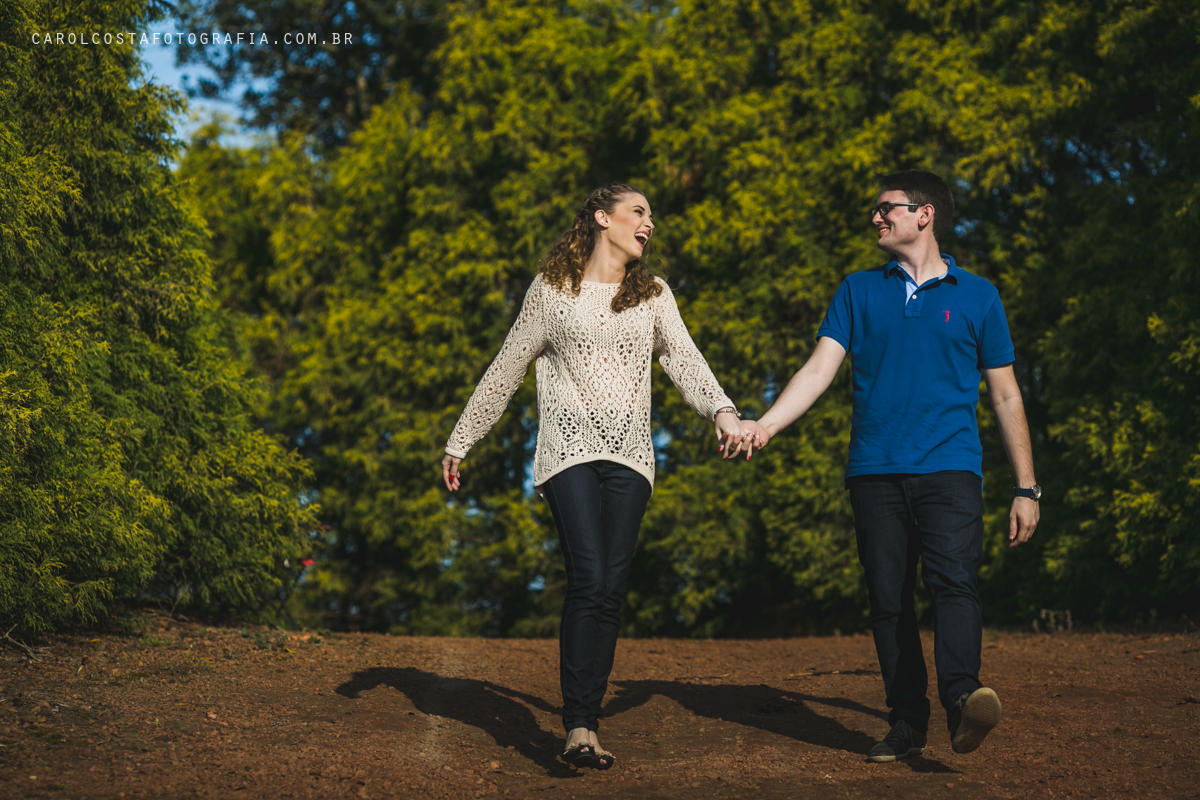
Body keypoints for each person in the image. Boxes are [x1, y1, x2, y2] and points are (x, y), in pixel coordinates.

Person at [736, 170, 1040, 762]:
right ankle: (905, 722)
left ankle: (960, 698)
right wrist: (765, 424)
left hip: (952, 468)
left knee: (954, 582)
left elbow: (1006, 396)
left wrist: (1026, 486)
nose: (876, 218)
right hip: (873, 470)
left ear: (923, 214)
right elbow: (819, 370)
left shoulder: (978, 295)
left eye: (886, 209)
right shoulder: (857, 290)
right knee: (889, 601)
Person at [441, 183, 748, 770]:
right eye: (639, 212)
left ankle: (588, 718)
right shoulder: (552, 292)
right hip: (569, 451)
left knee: (609, 587)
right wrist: (463, 437)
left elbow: (684, 358)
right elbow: (506, 368)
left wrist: (723, 411)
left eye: (651, 216)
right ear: (603, 218)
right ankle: (580, 727)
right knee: (587, 577)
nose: (648, 223)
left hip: (632, 456)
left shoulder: (653, 293)